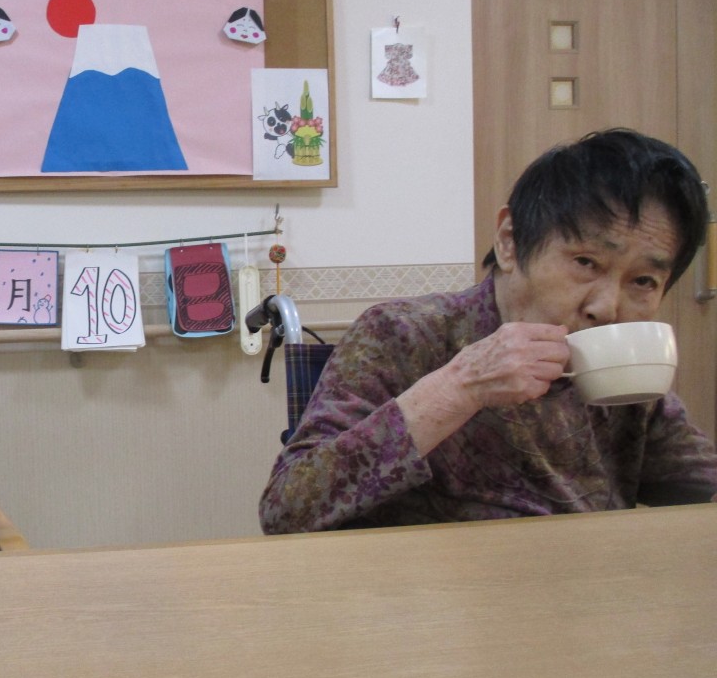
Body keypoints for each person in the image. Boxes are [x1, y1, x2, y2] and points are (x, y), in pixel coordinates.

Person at [261, 128, 717, 533]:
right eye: (585, 262)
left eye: (643, 281)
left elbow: (702, 486)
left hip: (586, 587)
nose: (607, 307)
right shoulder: (400, 334)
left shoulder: (626, 373)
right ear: (509, 241)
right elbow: (286, 511)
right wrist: (459, 387)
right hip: (427, 591)